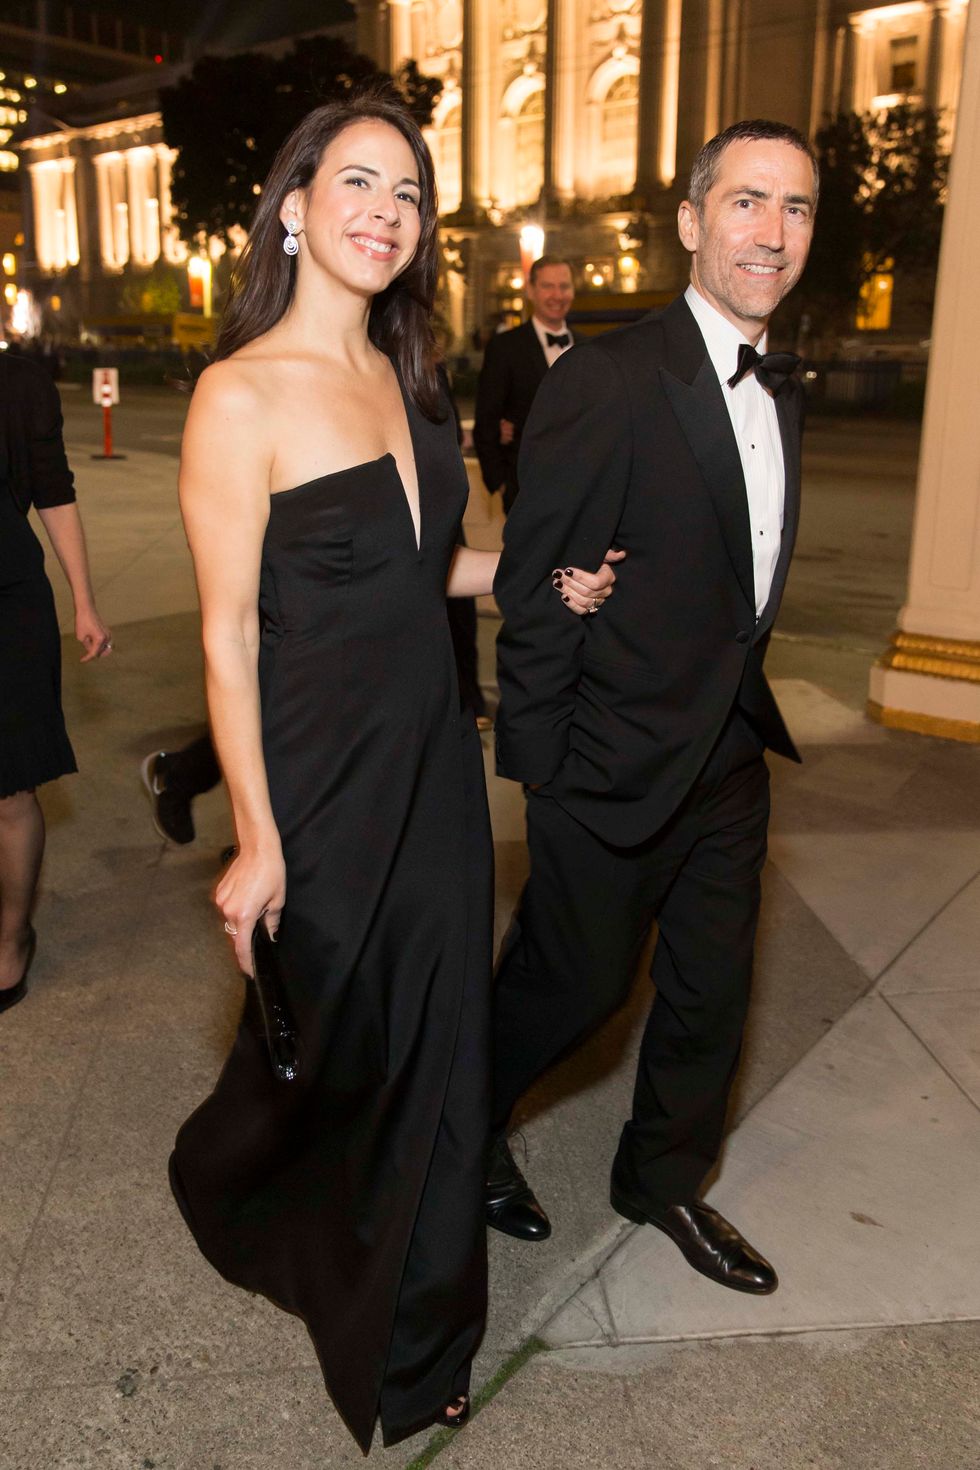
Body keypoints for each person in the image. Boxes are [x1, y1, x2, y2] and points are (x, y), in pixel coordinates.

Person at [166, 91, 617, 1453]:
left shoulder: (410, 379)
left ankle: (418, 1340)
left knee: (439, 1040)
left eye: (408, 191)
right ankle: (241, 1179)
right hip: (319, 778)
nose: (386, 210)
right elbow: (227, 634)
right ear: (294, 207)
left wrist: (542, 574)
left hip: (433, 760)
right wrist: (257, 837)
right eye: (357, 181)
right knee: (343, 1038)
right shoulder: (238, 393)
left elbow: (433, 568)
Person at [487, 120, 817, 1297]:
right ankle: (457, 1125)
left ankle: (661, 1178)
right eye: (744, 202)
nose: (770, 232)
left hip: (727, 749)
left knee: (711, 992)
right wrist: (543, 774)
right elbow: (537, 584)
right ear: (689, 222)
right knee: (571, 987)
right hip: (607, 760)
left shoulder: (779, 382)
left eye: (794, 207)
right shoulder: (608, 380)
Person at [0, 353, 112, 1014]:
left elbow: (54, 491)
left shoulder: (19, 384)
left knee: (10, 788)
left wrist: (84, 602)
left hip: (7, 601)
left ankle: (11, 939)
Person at [473, 257, 577, 513]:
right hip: (525, 488)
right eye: (548, 286)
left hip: (582, 487)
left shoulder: (590, 347)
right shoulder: (505, 347)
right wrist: (500, 483)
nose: (557, 295)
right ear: (530, 291)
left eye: (564, 286)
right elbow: (486, 420)